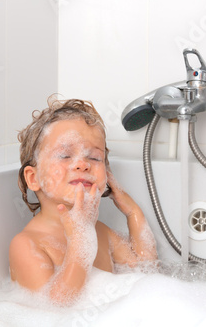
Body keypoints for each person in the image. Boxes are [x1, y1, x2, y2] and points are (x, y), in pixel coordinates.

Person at [9, 97, 158, 305]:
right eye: (65, 155)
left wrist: (132, 211)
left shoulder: (101, 232)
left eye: (94, 158)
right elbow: (53, 309)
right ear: (34, 178)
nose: (82, 164)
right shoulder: (28, 244)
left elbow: (147, 271)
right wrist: (80, 243)